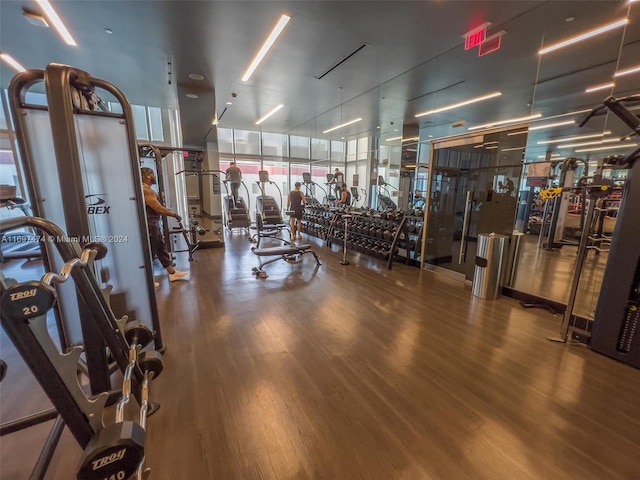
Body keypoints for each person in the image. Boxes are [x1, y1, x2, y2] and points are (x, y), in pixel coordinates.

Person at [140, 167, 188, 283]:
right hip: (150, 223)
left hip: (153, 222)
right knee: (151, 251)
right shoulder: (146, 190)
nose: (154, 176)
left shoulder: (145, 189)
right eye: (153, 174)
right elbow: (157, 208)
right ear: (148, 176)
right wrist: (174, 214)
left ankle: (172, 273)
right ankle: (146, 281)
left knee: (160, 248)